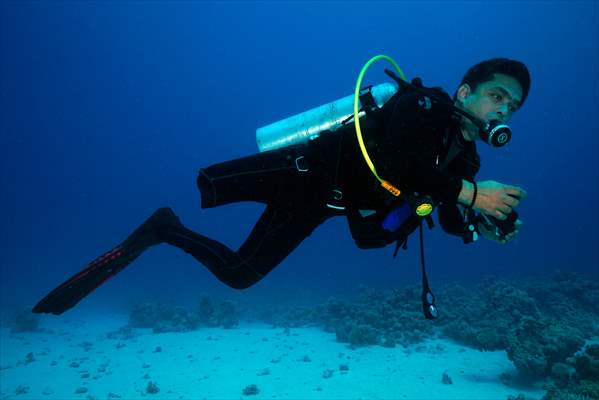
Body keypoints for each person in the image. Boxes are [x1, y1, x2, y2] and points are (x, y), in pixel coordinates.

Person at [33, 57, 530, 316]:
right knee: (211, 185)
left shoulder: (466, 157)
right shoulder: (421, 107)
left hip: (322, 204)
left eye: (512, 106)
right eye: (496, 95)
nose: (503, 109)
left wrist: (476, 226)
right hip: (300, 169)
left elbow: (439, 208)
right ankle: (166, 215)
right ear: (466, 92)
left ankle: (164, 228)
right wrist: (473, 194)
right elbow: (403, 164)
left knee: (241, 275)